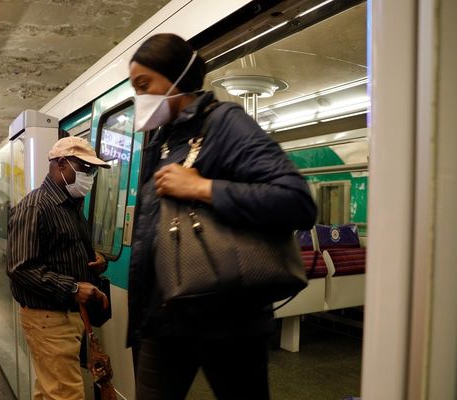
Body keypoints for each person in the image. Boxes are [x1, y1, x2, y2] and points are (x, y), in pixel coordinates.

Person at [127, 34, 317, 399]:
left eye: (144, 84)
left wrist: (203, 188)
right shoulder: (161, 141)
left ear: (178, 77)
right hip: (163, 317)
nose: (141, 98)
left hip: (226, 317)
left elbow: (296, 201)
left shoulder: (225, 122)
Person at [7, 136, 111, 399]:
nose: (90, 175)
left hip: (69, 316)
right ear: (62, 164)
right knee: (66, 394)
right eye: (85, 168)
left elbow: (65, 250)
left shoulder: (71, 206)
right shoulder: (35, 207)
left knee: (50, 390)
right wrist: (74, 288)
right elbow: (21, 268)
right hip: (48, 318)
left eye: (93, 170)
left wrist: (97, 260)